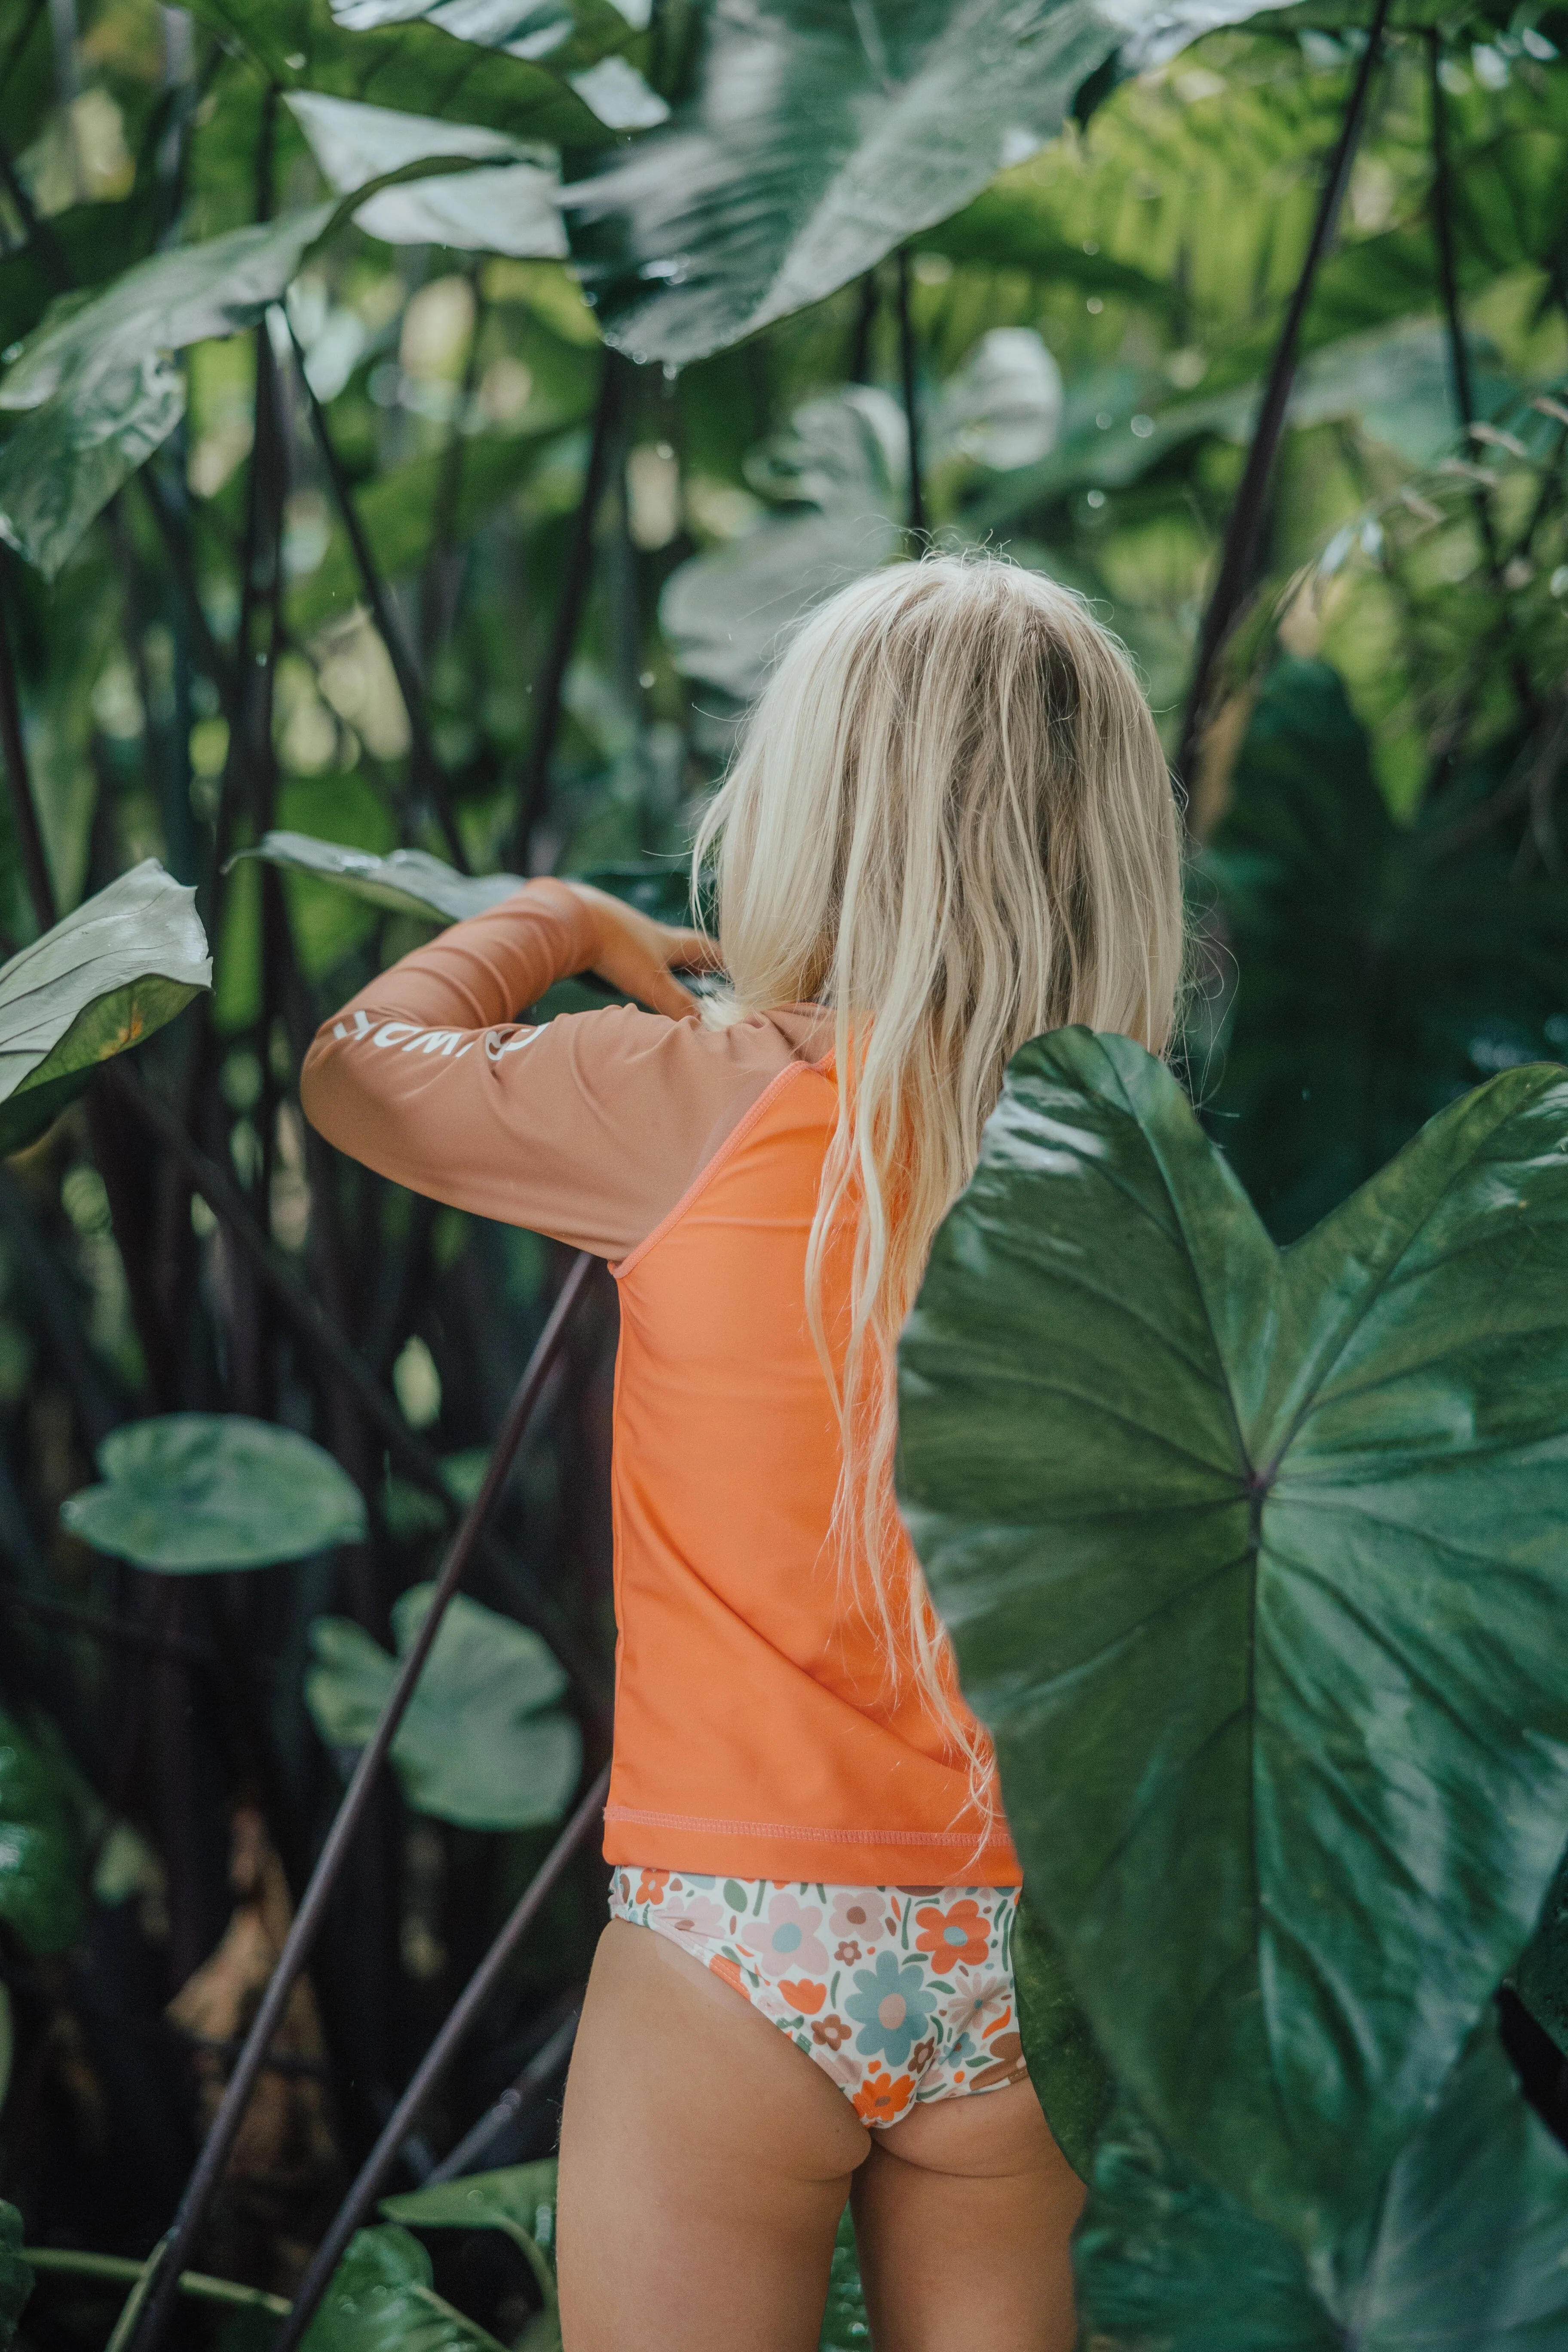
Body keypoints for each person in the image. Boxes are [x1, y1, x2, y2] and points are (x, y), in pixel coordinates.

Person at [300, 555, 1185, 2351]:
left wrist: (549, 919)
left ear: (800, 817)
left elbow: (358, 1068)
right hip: (1030, 1955)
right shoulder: (1143, 1178)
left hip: (736, 1945)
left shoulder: (691, 1094)